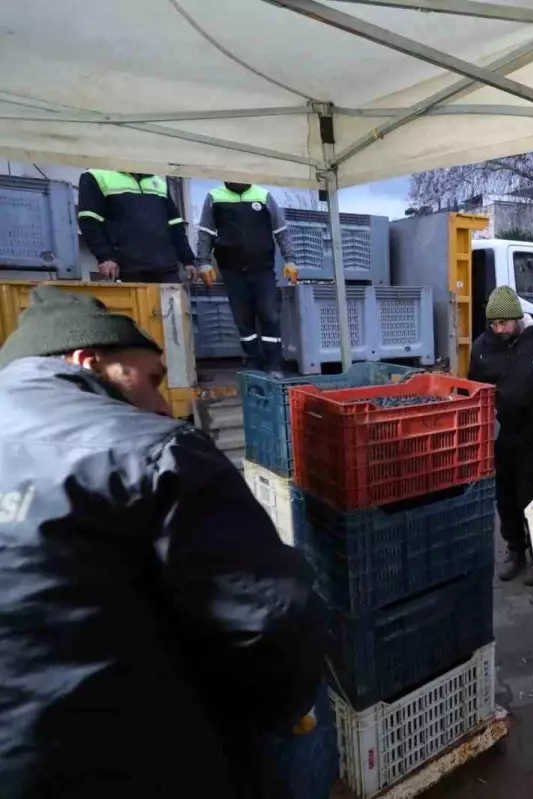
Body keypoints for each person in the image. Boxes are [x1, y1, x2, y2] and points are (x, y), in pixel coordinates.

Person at [0, 286, 326, 798]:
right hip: (149, 765)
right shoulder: (151, 450)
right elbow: (269, 618)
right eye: (151, 380)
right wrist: (283, 709)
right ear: (89, 362)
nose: (159, 404)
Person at [468, 286, 533, 585]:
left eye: (504, 323)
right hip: (500, 436)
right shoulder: (483, 346)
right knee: (504, 497)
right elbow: (475, 389)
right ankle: (515, 551)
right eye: (494, 324)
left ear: (518, 317)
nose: (499, 329)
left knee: (530, 496)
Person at [195, 182, 300, 374]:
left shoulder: (264, 195)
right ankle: (253, 361)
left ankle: (274, 364)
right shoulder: (214, 197)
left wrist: (290, 260)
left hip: (262, 269)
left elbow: (281, 230)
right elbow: (206, 231)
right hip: (231, 270)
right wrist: (203, 262)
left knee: (269, 314)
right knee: (243, 319)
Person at [77, 169, 197, 282]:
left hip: (166, 270)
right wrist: (105, 257)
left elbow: (175, 225)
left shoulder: (157, 182)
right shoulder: (97, 176)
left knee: (173, 304)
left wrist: (188, 260)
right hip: (125, 270)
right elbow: (89, 221)